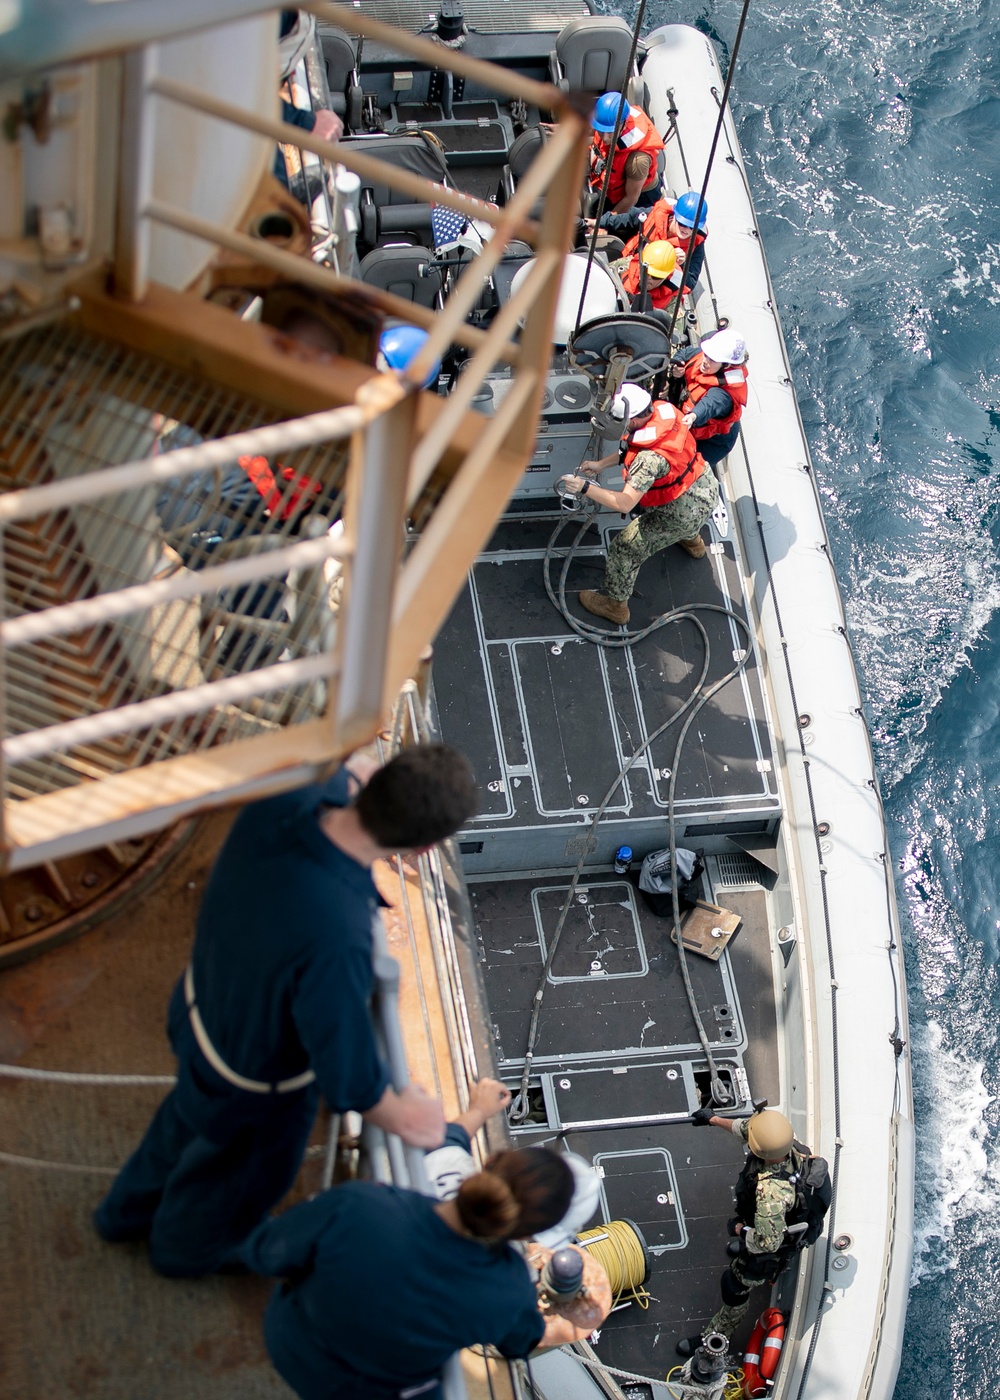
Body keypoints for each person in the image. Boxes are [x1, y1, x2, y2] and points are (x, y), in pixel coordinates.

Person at [94, 745, 478, 1278]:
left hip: (199, 1013)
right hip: (250, 1089)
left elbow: (332, 769)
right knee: (231, 1180)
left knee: (180, 1123)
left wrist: (353, 771)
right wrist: (412, 1118)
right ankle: (183, 1253)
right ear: (421, 848)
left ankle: (121, 1215)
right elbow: (349, 1076)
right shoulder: (338, 935)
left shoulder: (285, 795)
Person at [238, 1147, 578, 1400]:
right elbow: (520, 1342)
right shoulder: (509, 1291)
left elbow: (269, 1254)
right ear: (525, 1234)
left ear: (488, 1165)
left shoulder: (363, 1203)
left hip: (289, 1341)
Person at [559, 383, 720, 626]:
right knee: (684, 520)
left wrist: (584, 488)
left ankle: (616, 607)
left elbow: (624, 503)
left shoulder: (648, 462)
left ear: (632, 420)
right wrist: (601, 465)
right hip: (705, 489)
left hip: (679, 512)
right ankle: (693, 543)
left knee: (624, 549)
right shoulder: (663, 411)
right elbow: (633, 446)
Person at [676, 1108, 831, 1356]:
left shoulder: (772, 1194)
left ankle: (715, 1338)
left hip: (771, 1243)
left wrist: (741, 1229)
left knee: (734, 1287)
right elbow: (747, 1129)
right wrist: (712, 1119)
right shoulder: (788, 1146)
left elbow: (767, 1243)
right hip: (770, 1222)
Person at [670, 328, 749, 470]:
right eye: (706, 355)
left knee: (686, 471)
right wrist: (678, 364)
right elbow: (685, 353)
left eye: (712, 360)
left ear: (726, 365)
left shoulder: (724, 395)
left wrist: (693, 416)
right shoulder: (705, 358)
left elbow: (709, 405)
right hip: (690, 421)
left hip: (712, 442)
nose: (705, 361)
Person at [587, 92, 664, 221]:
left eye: (610, 132)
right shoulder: (609, 121)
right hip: (618, 186)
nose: (604, 138)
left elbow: (631, 198)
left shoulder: (638, 161)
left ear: (623, 124)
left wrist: (602, 223)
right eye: (601, 130)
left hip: (638, 198)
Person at [616, 239, 683, 314]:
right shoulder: (624, 266)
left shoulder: (672, 300)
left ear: (666, 277)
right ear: (639, 265)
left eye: (656, 276)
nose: (648, 278)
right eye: (645, 272)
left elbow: (675, 324)